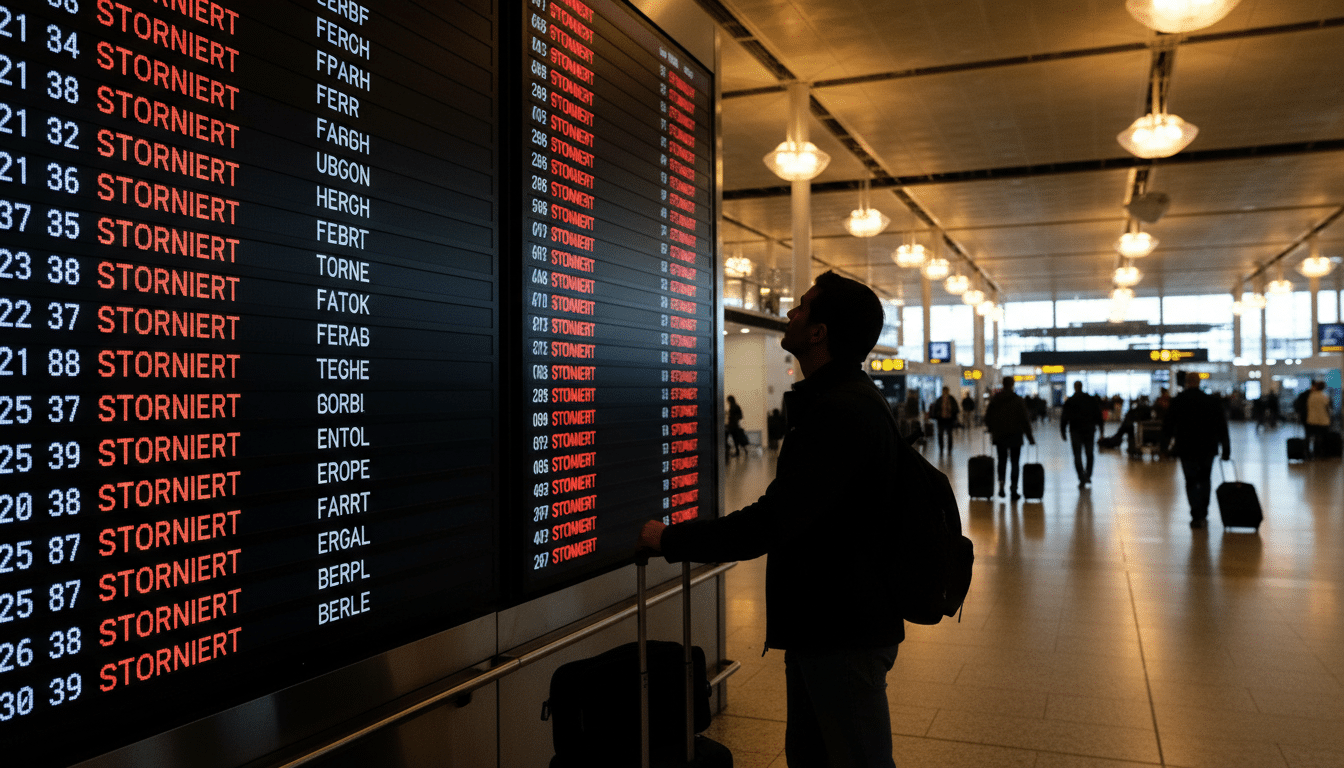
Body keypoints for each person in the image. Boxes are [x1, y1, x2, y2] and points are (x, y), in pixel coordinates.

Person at [638, 271, 902, 768]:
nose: (789, 313)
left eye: (801, 306)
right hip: (827, 622)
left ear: (820, 332)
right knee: (813, 755)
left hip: (840, 629)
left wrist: (670, 538)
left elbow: (772, 521)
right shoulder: (847, 400)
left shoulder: (839, 412)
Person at [1161, 372, 1231, 529]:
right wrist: (1226, 448)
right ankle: (1204, 512)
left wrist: (1164, 447)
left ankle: (1196, 514)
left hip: (1186, 448)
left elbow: (1168, 425)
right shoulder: (1212, 401)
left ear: (1186, 382)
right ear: (1199, 382)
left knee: (1191, 481)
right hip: (1208, 448)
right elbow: (1222, 426)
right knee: (1205, 479)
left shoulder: (1179, 401)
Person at [984, 376, 1035, 500]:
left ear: (1003, 384)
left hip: (1000, 435)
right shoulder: (1018, 400)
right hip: (1015, 435)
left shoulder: (995, 399)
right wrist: (1030, 437)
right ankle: (1013, 489)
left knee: (1002, 461)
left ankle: (1001, 484)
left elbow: (987, 417)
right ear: (1012, 384)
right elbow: (1024, 419)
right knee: (1015, 462)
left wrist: (991, 429)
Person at [1060, 381, 1104, 487]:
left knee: (1077, 455)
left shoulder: (1070, 401)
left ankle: (1081, 476)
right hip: (1089, 430)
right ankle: (1088, 475)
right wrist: (1101, 429)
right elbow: (1098, 414)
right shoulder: (1090, 399)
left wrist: (1063, 431)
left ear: (1074, 387)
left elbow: (1064, 417)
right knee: (1089, 454)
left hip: (1075, 431)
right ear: (1081, 387)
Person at [1304, 380, 1331, 458]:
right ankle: (1320, 453)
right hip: (1323, 420)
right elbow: (1328, 408)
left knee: (1310, 437)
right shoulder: (1324, 396)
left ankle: (1308, 453)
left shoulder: (1311, 396)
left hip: (1311, 419)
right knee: (1322, 438)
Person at [932, 386, 960, 454]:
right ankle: (941, 449)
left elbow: (956, 408)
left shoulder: (951, 399)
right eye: (944, 391)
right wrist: (937, 415)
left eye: (946, 391)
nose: (945, 392)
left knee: (950, 435)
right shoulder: (940, 399)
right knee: (940, 435)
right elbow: (936, 409)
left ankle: (949, 450)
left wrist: (953, 413)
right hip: (941, 420)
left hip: (949, 420)